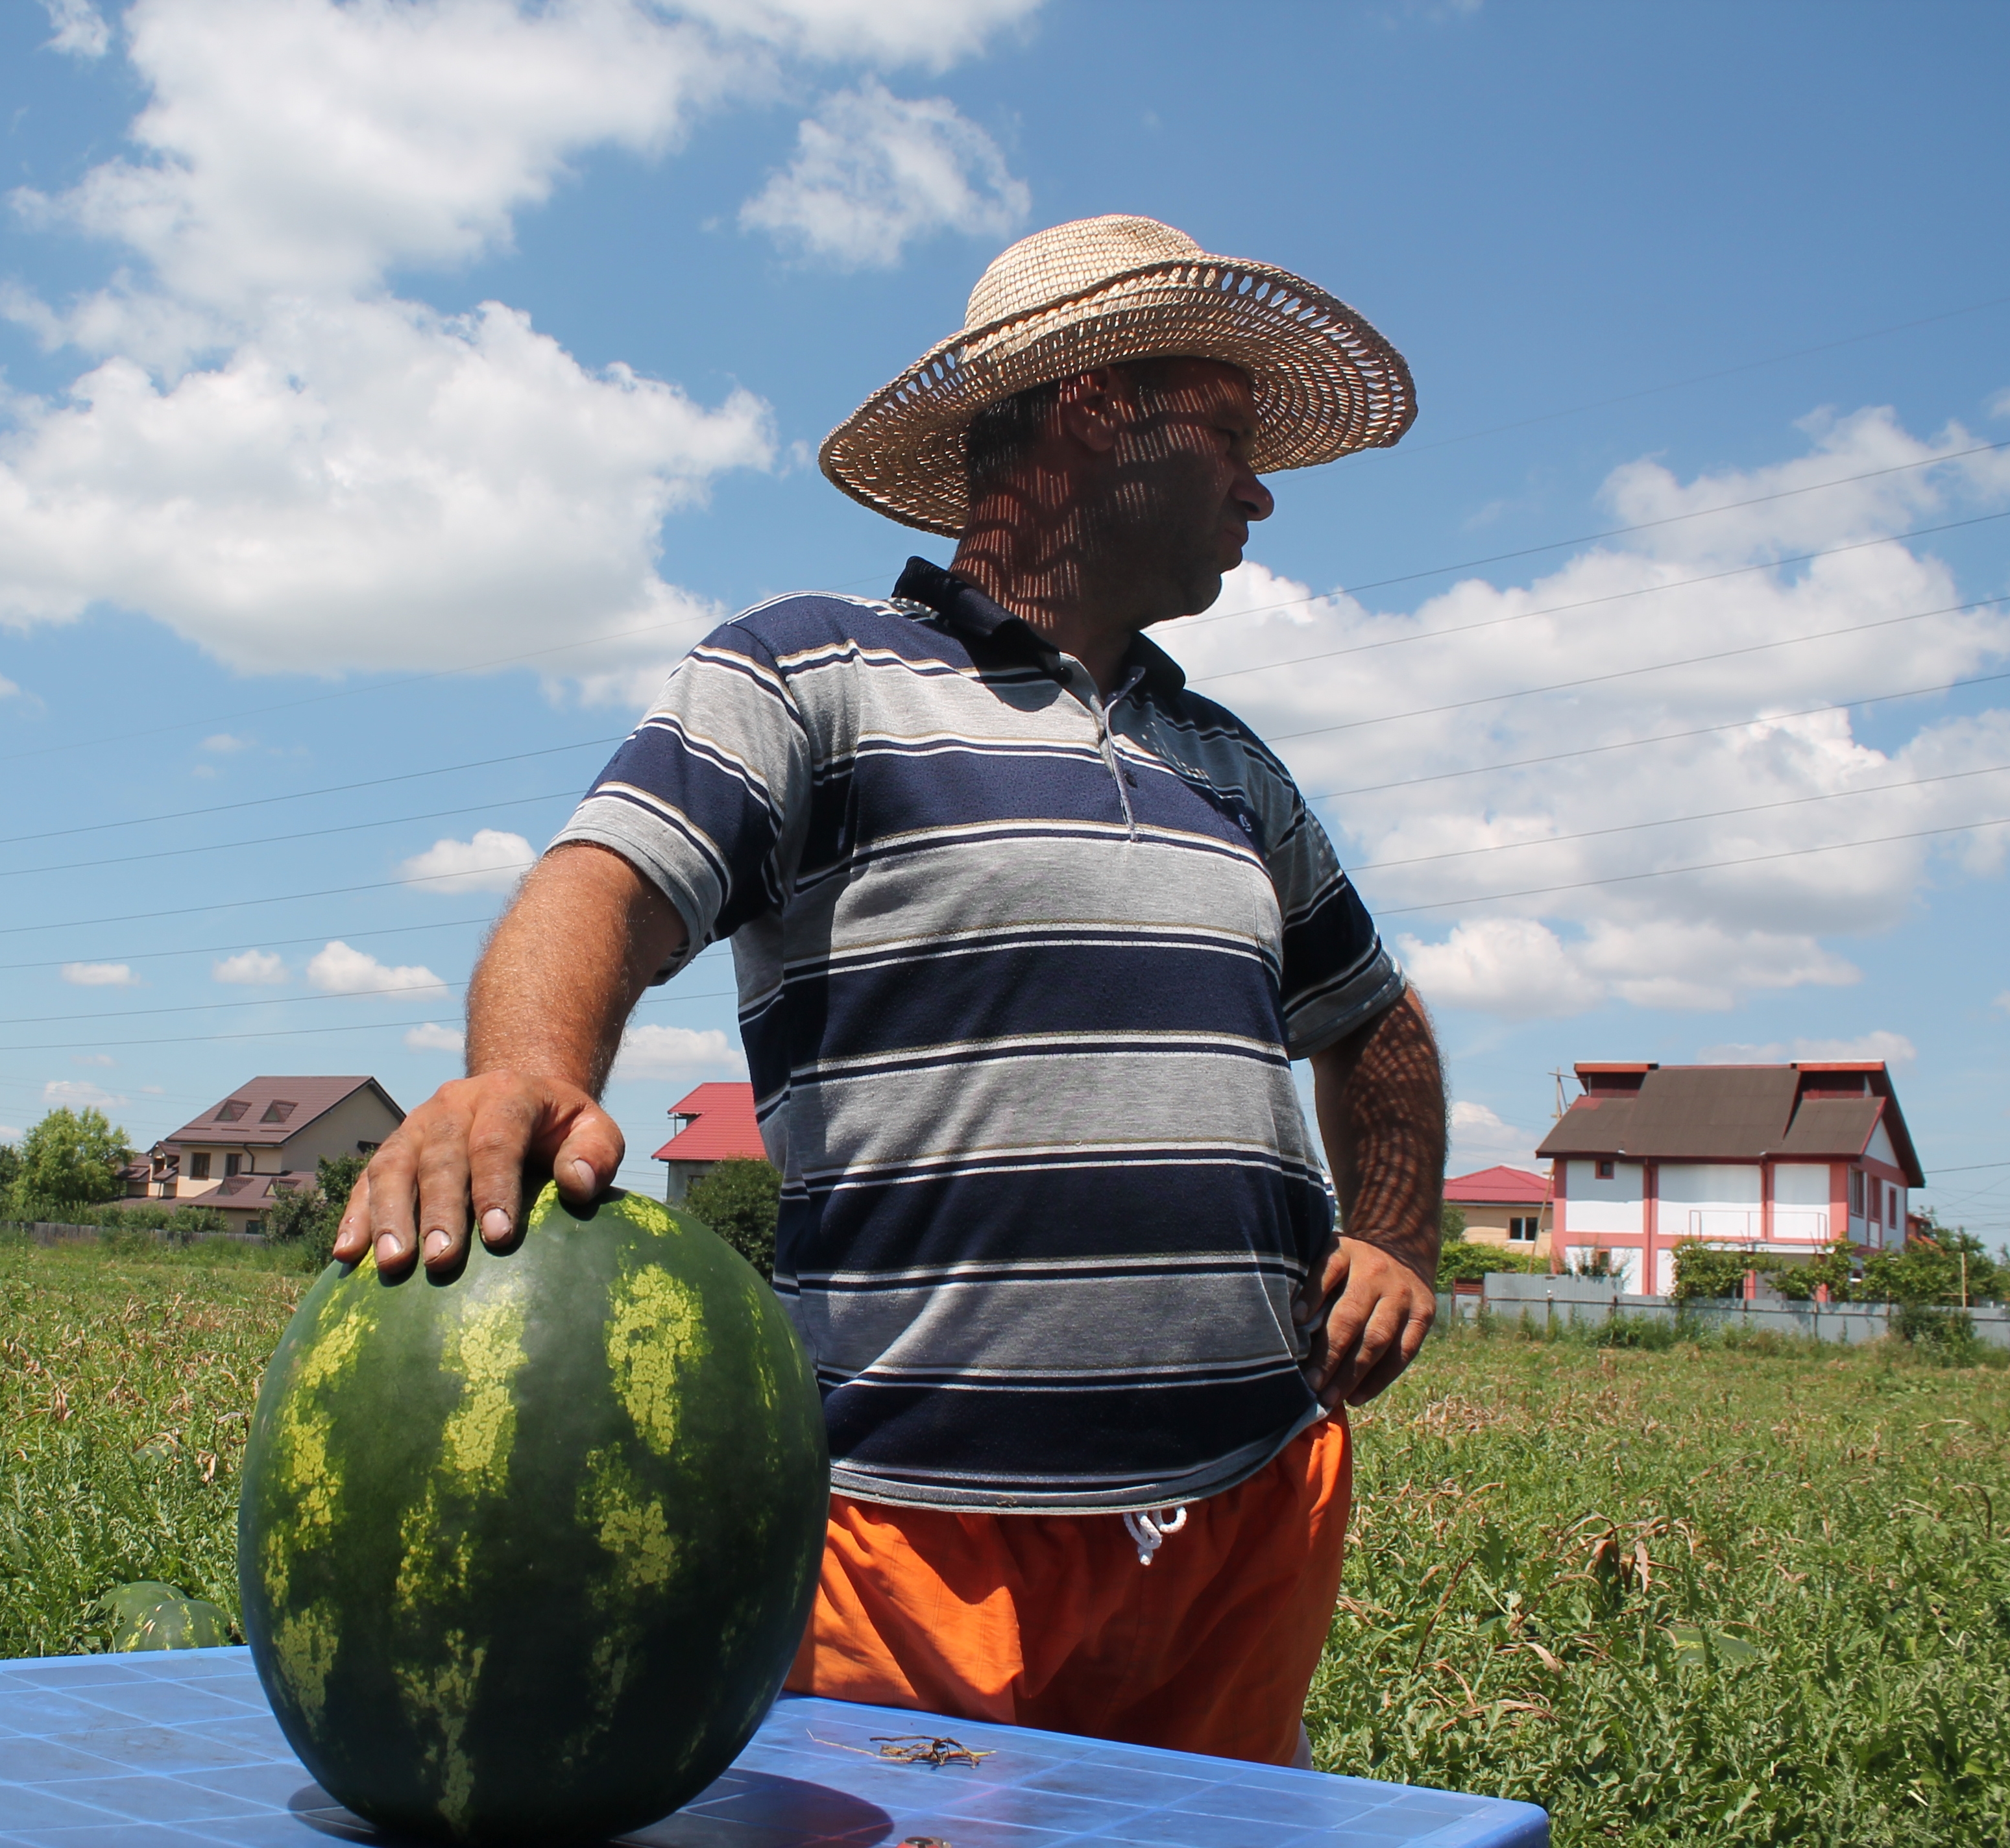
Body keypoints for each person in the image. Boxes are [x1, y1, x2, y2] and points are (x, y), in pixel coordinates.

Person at [334, 215, 1447, 1769]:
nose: (1264, 489)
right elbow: (606, 882)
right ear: (1093, 408)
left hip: (1242, 1521)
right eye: (1233, 434)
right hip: (904, 1537)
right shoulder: (813, 675)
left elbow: (1374, 1020)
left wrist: (1395, 1229)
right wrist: (525, 1072)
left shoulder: (1233, 766)